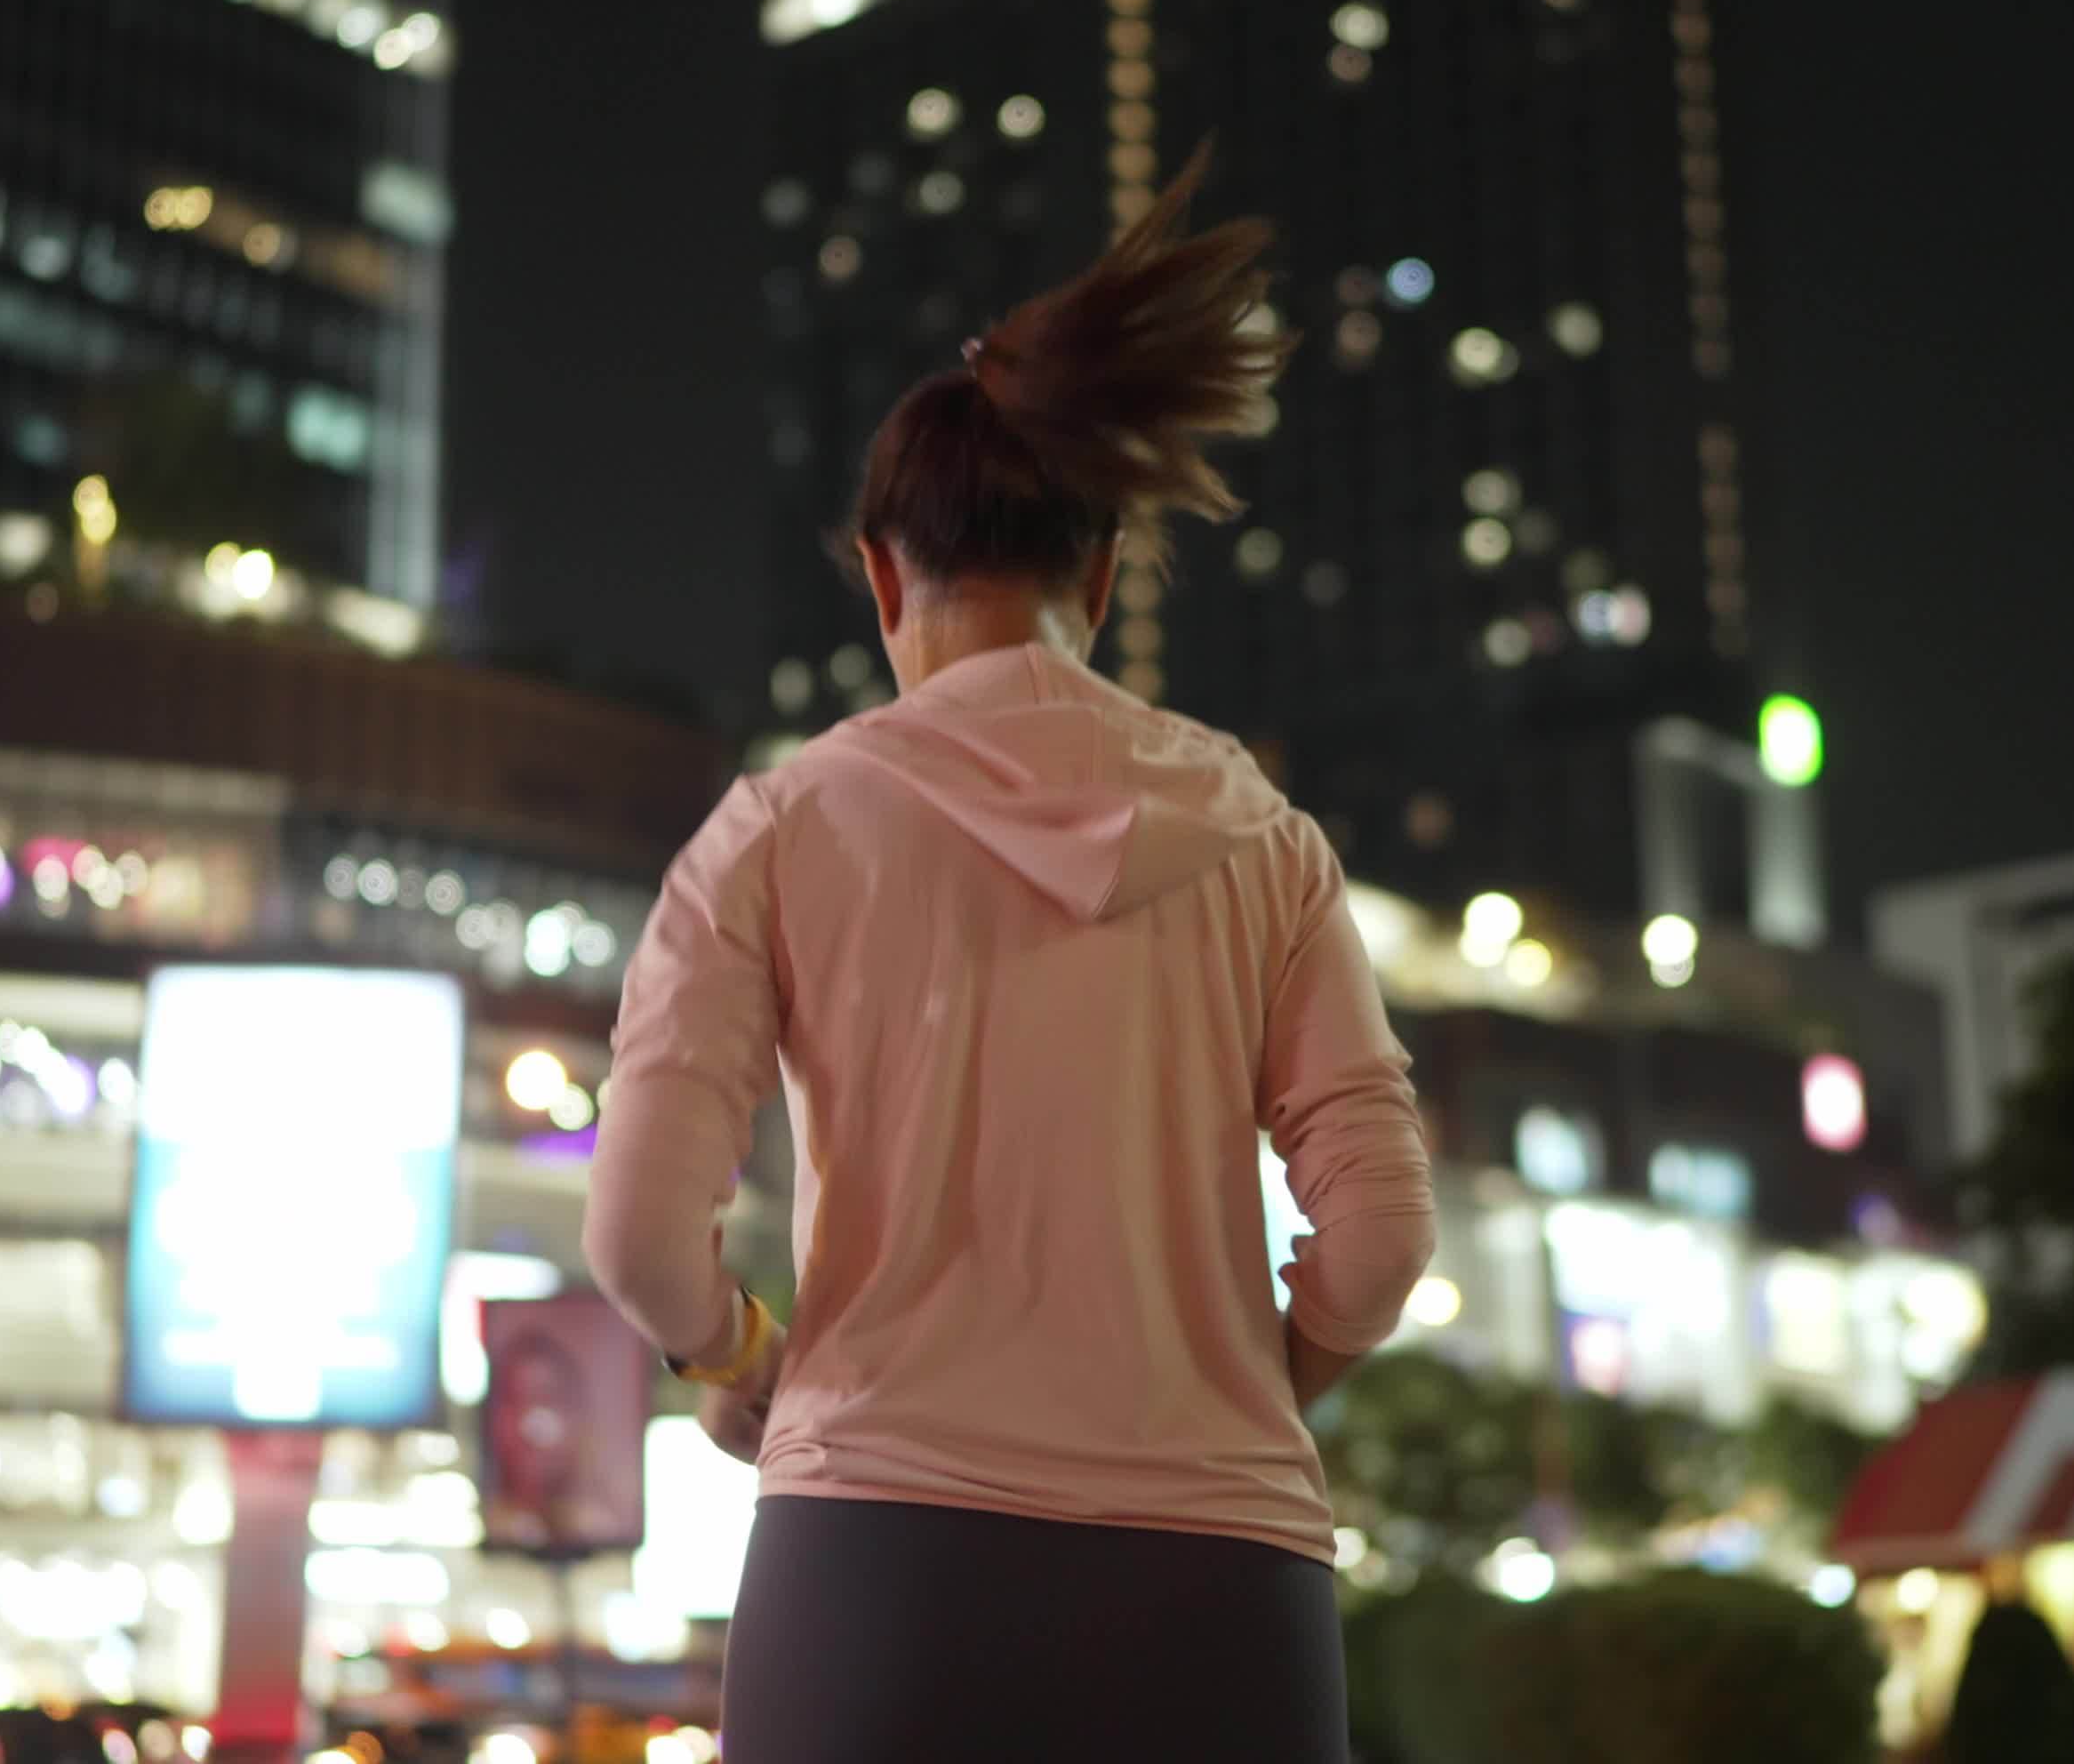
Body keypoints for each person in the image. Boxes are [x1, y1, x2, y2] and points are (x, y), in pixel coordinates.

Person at [583, 156, 1437, 1763]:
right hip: (1224, 1587)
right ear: (1101, 583)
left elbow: (638, 1235)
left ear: (886, 574)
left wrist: (744, 1358)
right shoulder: (1267, 841)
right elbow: (1381, 1236)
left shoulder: (779, 828)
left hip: (880, 1566)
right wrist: (1245, 1378)